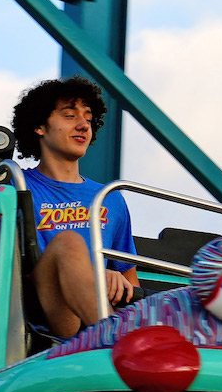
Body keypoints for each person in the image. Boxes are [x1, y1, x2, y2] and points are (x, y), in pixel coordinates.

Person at [9, 77, 138, 339]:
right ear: (39, 126)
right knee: (68, 242)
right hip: (45, 312)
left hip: (100, 309)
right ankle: (113, 339)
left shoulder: (109, 198)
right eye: (69, 116)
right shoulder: (17, 187)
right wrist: (95, 274)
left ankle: (113, 337)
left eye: (88, 119)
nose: (83, 125)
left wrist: (115, 279)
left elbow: (132, 283)